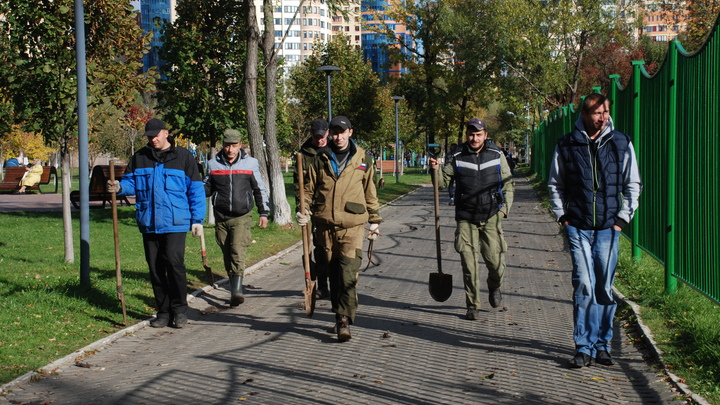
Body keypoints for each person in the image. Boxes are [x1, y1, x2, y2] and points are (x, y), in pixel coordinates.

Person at [548, 93, 642, 368]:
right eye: (597, 113)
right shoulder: (567, 144)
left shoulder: (621, 143)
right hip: (577, 226)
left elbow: (632, 183)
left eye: (606, 112)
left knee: (603, 286)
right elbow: (555, 183)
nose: (602, 117)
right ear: (585, 114)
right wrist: (562, 216)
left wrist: (622, 219)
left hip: (608, 229)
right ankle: (583, 346)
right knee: (584, 286)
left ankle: (602, 345)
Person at [107, 118, 206, 329]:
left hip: (176, 222)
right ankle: (163, 311)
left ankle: (179, 310)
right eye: (150, 136)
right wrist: (119, 187)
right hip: (149, 221)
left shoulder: (183, 157)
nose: (153, 139)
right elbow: (131, 183)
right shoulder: (140, 157)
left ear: (165, 133)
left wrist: (197, 219)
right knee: (155, 268)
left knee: (174, 264)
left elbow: (195, 190)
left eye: (156, 135)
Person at [297, 115, 382, 342]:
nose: (338, 136)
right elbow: (307, 189)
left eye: (342, 132)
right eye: (334, 132)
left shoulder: (363, 158)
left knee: (347, 273)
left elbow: (369, 190)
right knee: (333, 274)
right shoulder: (320, 157)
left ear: (350, 133)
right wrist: (303, 210)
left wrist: (374, 219)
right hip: (324, 226)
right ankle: (339, 315)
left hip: (352, 225)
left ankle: (344, 319)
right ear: (329, 134)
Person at [429, 118, 514, 321]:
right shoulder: (457, 156)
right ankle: (472, 304)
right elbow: (441, 183)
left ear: (485, 135)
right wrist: (435, 169)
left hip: (491, 215)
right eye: (471, 134)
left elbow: (509, 184)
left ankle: (494, 285)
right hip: (466, 217)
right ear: (467, 135)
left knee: (494, 262)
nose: (474, 138)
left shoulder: (496, 155)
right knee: (469, 263)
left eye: (478, 134)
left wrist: (504, 211)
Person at [204, 128, 269, 306]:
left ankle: (236, 292)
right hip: (221, 216)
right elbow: (207, 187)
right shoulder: (213, 164)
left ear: (240, 145)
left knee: (237, 249)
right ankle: (234, 283)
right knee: (226, 251)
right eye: (227, 146)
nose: (230, 150)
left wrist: (264, 212)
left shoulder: (250, 164)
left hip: (242, 215)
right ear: (222, 146)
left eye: (234, 146)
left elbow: (259, 189)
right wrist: (196, 189)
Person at [294, 118, 331, 299]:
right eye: (317, 137)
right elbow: (297, 184)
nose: (320, 140)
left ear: (328, 133)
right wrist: (301, 208)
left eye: (323, 136)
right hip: (310, 208)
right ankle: (317, 284)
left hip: (329, 207)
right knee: (311, 250)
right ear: (311, 135)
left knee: (326, 249)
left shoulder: (334, 150)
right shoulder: (304, 153)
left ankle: (332, 283)